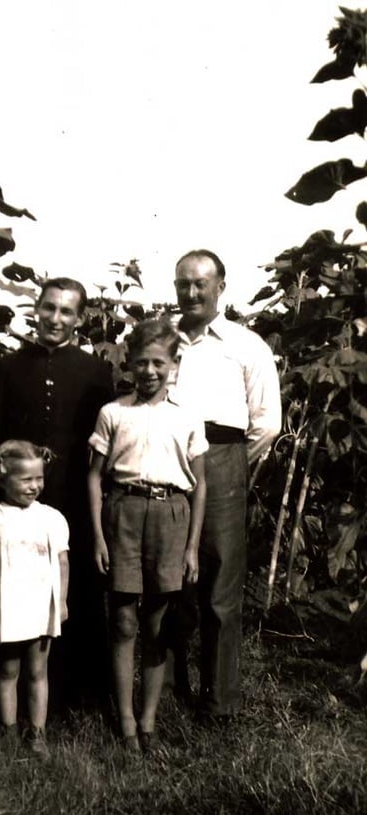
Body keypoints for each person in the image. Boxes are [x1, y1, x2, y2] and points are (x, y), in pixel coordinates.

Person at [171, 249, 282, 722]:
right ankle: (172, 688)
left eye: (201, 283)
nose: (191, 293)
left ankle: (220, 701)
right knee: (169, 580)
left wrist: (229, 465)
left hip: (222, 457)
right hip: (166, 457)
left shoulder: (245, 344)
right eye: (183, 284)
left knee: (219, 584)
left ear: (221, 286)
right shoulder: (161, 340)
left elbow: (267, 424)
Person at [0, 278, 114, 709]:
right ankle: (8, 690)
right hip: (18, 496)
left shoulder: (95, 371)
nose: (55, 319)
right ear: (37, 309)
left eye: (66, 312)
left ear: (79, 319)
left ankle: (72, 694)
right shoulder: (10, 366)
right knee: (17, 586)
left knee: (73, 589)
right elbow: (1, 431)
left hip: (72, 497)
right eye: (49, 308)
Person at [88, 318, 207, 753]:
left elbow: (201, 484)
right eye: (141, 363)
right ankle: (124, 721)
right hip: (123, 511)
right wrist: (100, 537)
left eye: (159, 362)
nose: (150, 371)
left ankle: (149, 719)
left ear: (174, 365)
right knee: (122, 620)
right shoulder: (114, 413)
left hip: (171, 515)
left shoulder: (188, 417)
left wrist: (191, 546)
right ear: (130, 365)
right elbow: (94, 478)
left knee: (156, 625)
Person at [0, 441, 70, 757]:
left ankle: (37, 732)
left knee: (38, 671)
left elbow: (63, 563)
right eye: (26, 480)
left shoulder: (52, 517)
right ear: (3, 479)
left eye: (39, 478)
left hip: (42, 607)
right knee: (7, 671)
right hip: (9, 608)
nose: (35, 486)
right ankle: (8, 731)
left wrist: (64, 601)